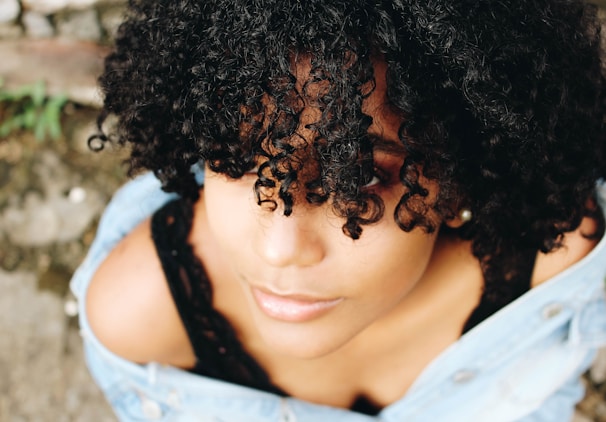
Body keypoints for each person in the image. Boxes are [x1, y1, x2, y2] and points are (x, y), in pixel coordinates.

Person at [71, 0, 606, 420]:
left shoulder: (555, 265)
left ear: (467, 172)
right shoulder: (144, 319)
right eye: (233, 161)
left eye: (357, 176)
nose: (279, 249)